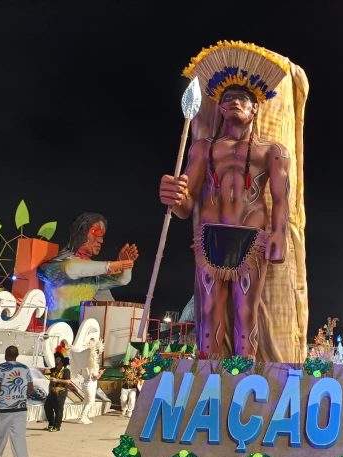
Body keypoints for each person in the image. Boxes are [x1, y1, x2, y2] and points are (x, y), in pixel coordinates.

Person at [159, 41, 291, 359]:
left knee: (247, 311)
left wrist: (279, 234)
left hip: (252, 239)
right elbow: (187, 204)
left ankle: (244, 376)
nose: (234, 103)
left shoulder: (272, 151)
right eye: (228, 99)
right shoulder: (203, 148)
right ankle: (210, 377)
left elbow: (280, 197)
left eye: (242, 99)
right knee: (209, 312)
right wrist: (174, 196)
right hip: (209, 238)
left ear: (256, 107)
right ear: (219, 109)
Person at [38, 213, 138, 324]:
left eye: (102, 236)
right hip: (55, 331)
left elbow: (122, 280)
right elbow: (71, 268)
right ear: (80, 233)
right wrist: (110, 265)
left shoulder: (92, 275)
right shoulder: (53, 266)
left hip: (82, 331)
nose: (101, 241)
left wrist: (126, 265)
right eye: (95, 233)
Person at [43, 352, 71, 432]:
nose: (56, 361)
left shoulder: (66, 370)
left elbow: (68, 381)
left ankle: (57, 426)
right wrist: (45, 372)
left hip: (60, 393)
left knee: (58, 410)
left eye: (58, 359)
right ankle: (51, 424)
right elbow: (47, 374)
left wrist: (57, 380)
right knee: (47, 407)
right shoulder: (54, 369)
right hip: (51, 392)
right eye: (56, 359)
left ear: (62, 362)